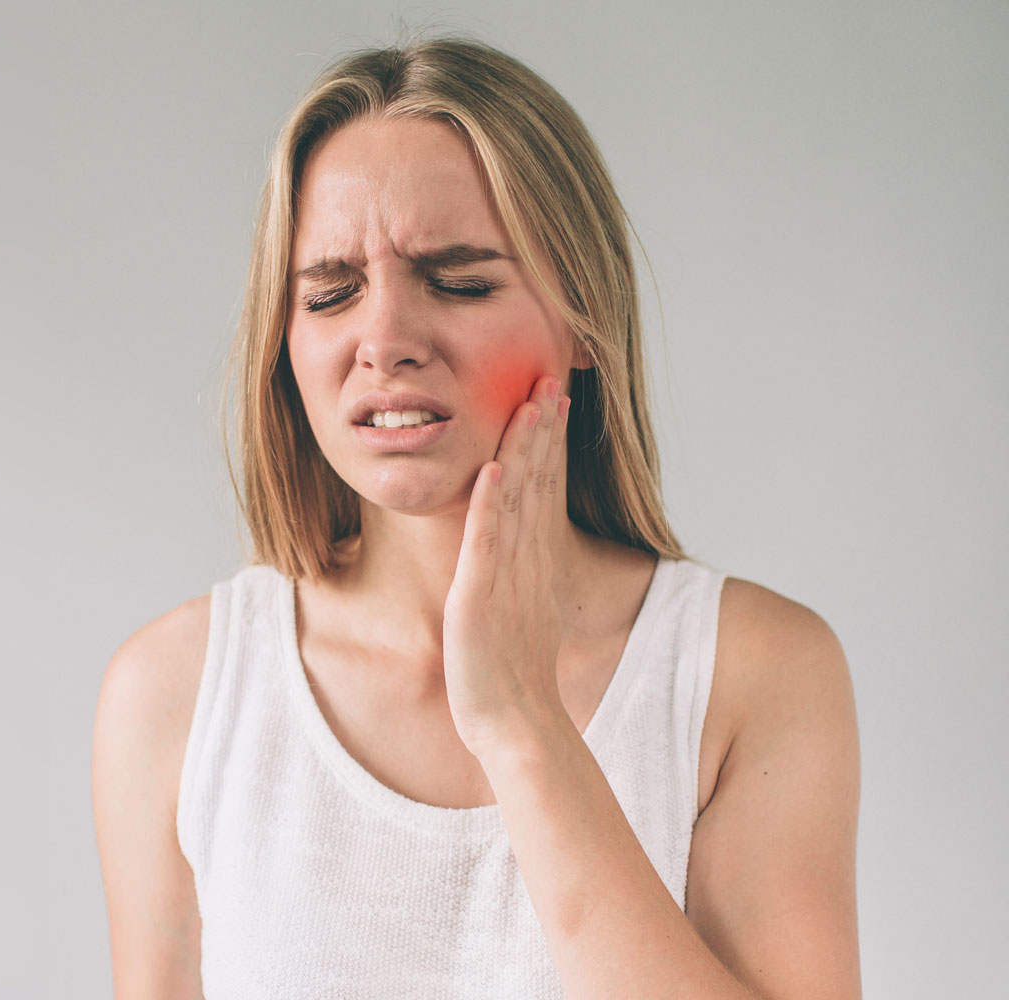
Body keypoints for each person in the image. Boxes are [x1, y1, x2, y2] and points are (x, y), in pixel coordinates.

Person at [90, 35, 861, 999]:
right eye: (330, 292)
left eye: (458, 281)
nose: (385, 342)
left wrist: (521, 721)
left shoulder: (752, 671)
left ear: (584, 317)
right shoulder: (174, 694)